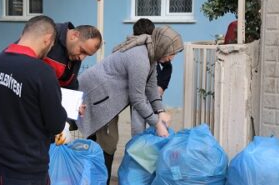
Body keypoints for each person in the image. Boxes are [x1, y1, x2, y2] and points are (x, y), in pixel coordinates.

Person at [76, 26, 184, 184]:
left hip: (106, 97)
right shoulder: (140, 59)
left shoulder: (150, 57)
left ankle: (93, 179)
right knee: (108, 143)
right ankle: (98, 181)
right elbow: (137, 97)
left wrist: (160, 111)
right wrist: (156, 123)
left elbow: (151, 89)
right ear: (162, 47)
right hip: (95, 95)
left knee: (102, 143)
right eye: (172, 53)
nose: (171, 58)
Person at [0, 15, 68, 185]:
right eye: (51, 46)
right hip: (26, 170)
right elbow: (56, 124)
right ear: (47, 40)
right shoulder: (42, 72)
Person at [44, 22, 102, 130]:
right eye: (82, 51)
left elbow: (69, 86)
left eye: (87, 55)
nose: (81, 58)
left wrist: (75, 104)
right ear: (74, 36)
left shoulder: (74, 55)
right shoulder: (47, 35)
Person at [133, 18, 173, 97]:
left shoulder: (155, 48)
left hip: (153, 91)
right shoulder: (135, 52)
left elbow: (167, 65)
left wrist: (161, 87)